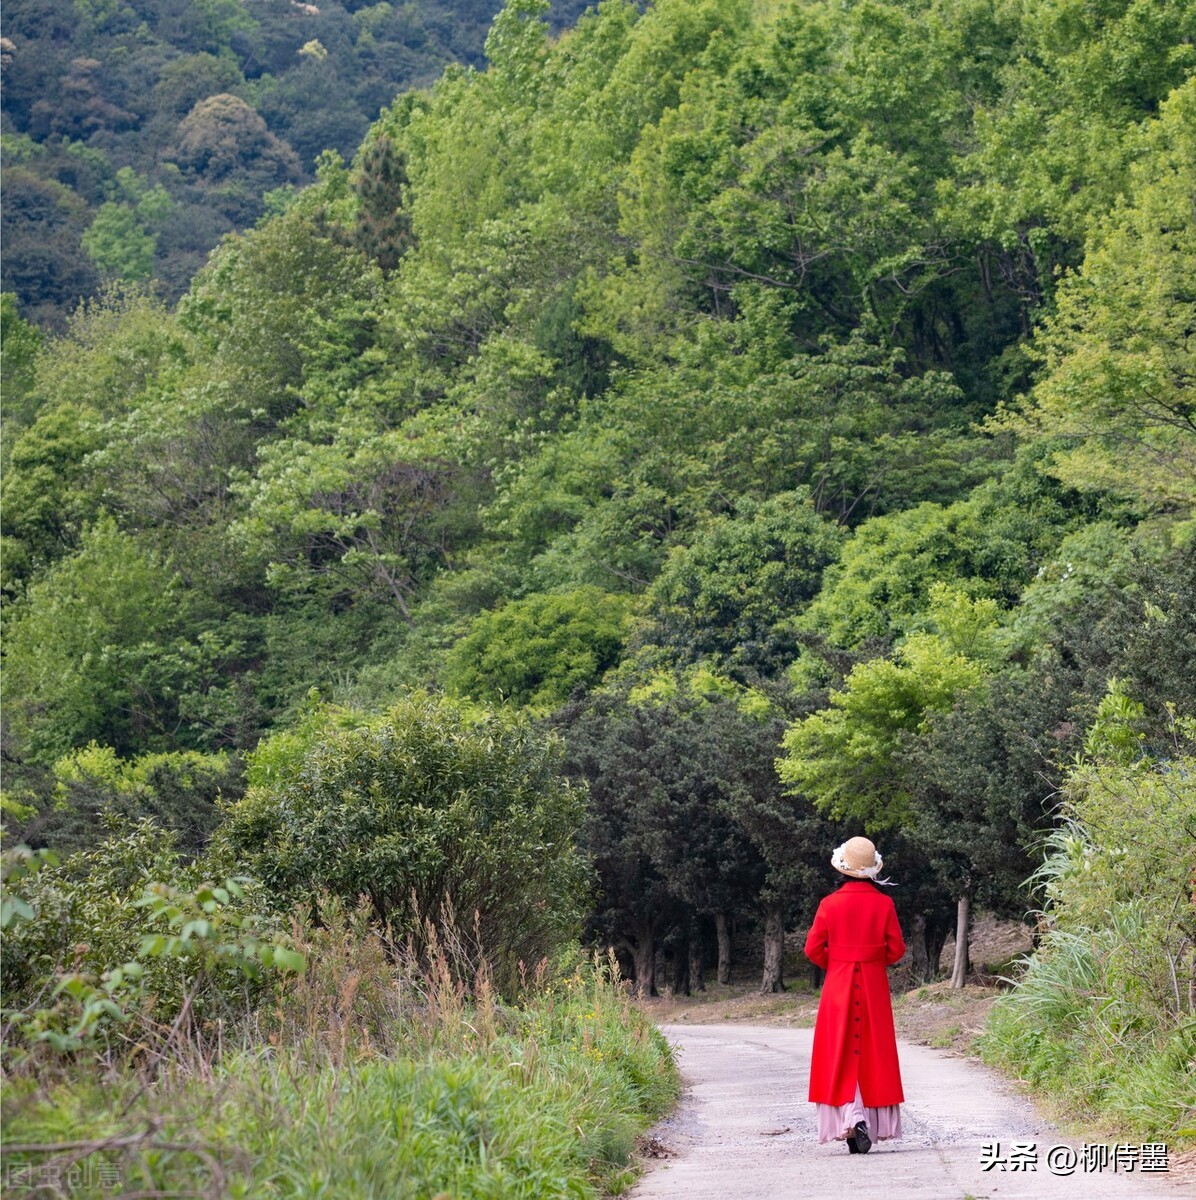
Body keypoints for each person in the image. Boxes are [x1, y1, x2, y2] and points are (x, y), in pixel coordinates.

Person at [804, 836, 906, 1154]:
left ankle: (850, 1117)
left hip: (838, 984)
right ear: (871, 870)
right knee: (873, 1052)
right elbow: (897, 950)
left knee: (839, 1051)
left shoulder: (829, 904)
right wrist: (872, 960)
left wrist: (837, 963)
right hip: (873, 985)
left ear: (842, 868)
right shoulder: (884, 904)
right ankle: (867, 1119)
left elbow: (812, 949)